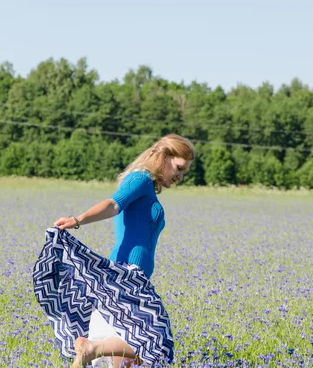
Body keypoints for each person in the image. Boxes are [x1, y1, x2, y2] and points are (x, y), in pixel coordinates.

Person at [32, 134, 195, 368]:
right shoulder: (141, 179)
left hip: (131, 275)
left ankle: (95, 349)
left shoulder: (146, 186)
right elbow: (113, 204)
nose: (180, 177)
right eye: (179, 168)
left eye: (184, 172)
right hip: (128, 274)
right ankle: (93, 348)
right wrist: (77, 220)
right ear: (164, 157)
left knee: (128, 357)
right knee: (158, 342)